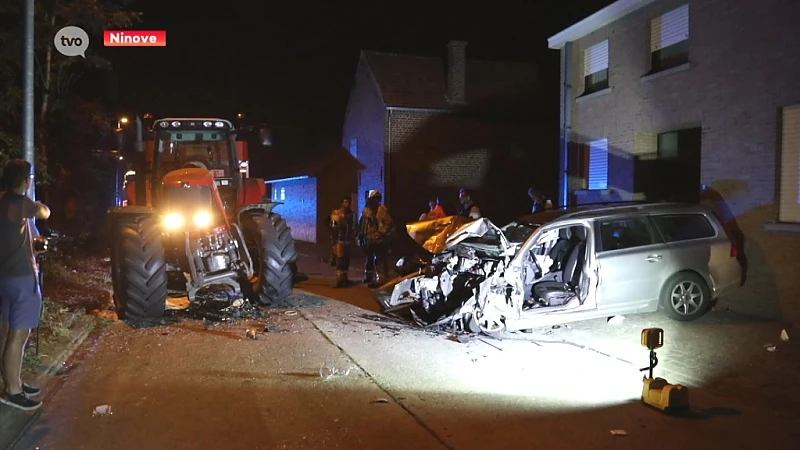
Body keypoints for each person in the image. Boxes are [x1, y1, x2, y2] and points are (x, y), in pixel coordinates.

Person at [0, 159, 51, 411]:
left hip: (3, 276)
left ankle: (10, 381)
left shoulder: (1, 200)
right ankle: (13, 391)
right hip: (21, 278)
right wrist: (38, 204)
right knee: (18, 336)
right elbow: (44, 213)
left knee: (5, 330)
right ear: (25, 180)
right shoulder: (21, 204)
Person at [358, 190, 394, 288]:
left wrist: (381, 233)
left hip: (379, 238)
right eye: (374, 198)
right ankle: (368, 276)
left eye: (377, 198)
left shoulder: (381, 209)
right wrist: (361, 236)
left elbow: (388, 222)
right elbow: (361, 223)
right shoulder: (366, 210)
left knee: (380, 258)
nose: (375, 201)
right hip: (368, 238)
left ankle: (381, 278)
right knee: (369, 258)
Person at [329, 195, 357, 288]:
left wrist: (354, 236)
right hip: (339, 241)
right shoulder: (336, 213)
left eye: (349, 202)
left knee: (346, 261)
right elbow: (333, 227)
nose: (347, 204)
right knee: (340, 261)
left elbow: (354, 227)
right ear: (342, 203)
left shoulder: (352, 215)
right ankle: (339, 280)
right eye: (345, 202)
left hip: (348, 241)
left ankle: (345, 279)